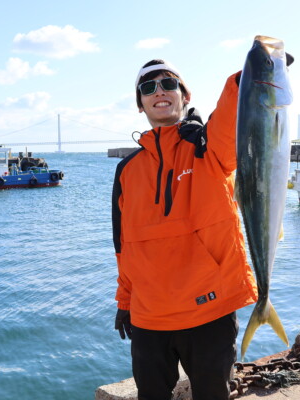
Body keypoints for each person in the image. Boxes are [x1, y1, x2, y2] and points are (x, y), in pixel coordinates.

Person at [111, 59, 258, 400]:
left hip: (208, 310)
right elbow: (123, 245)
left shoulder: (209, 148)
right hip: (148, 316)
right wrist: (125, 300)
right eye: (148, 88)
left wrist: (252, 75)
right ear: (140, 103)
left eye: (167, 84)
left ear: (184, 94)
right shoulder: (126, 170)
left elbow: (231, 119)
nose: (158, 92)